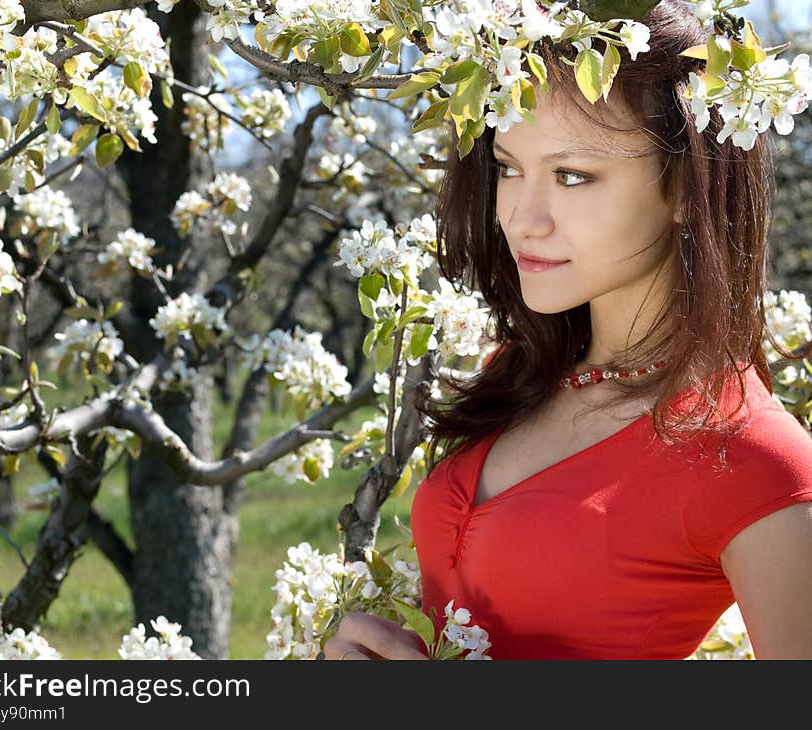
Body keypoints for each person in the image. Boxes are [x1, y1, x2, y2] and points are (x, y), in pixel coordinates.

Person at [323, 0, 812, 660]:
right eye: (509, 167)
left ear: (683, 189)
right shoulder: (517, 373)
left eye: (572, 176)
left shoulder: (754, 456)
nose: (523, 219)